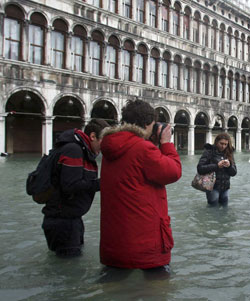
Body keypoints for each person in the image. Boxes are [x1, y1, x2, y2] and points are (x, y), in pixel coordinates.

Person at [99, 99, 181, 275]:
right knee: (156, 288)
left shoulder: (111, 146)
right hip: (145, 241)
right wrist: (166, 143)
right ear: (146, 124)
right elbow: (173, 172)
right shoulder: (142, 149)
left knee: (114, 286)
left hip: (115, 241)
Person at [42, 118, 110, 257]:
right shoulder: (74, 150)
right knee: (67, 267)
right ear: (92, 136)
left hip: (70, 219)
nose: (107, 144)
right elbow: (70, 186)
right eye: (105, 139)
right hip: (62, 223)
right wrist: (105, 183)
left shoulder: (81, 150)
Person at [197, 133, 237, 206]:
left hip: (225, 187)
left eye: (225, 144)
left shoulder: (229, 153)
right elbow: (200, 168)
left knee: (225, 208)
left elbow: (234, 173)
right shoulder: (209, 151)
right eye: (221, 143)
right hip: (212, 187)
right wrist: (216, 166)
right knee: (213, 209)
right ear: (216, 142)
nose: (223, 146)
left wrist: (229, 166)